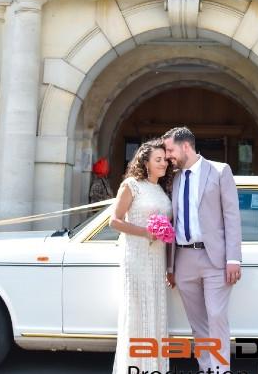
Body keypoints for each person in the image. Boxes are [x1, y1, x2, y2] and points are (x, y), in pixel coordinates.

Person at [163, 126, 243, 372]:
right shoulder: (175, 178)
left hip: (215, 259)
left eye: (170, 149)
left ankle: (221, 370)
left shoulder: (220, 171)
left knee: (217, 317)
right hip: (184, 258)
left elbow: (232, 216)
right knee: (197, 323)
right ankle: (206, 367)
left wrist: (234, 259)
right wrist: (171, 266)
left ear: (185, 146)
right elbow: (173, 221)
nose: (168, 156)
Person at [109, 140, 174, 374]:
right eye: (158, 160)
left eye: (165, 160)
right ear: (145, 162)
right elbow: (114, 221)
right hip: (136, 256)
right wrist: (145, 232)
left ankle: (154, 367)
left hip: (157, 258)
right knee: (138, 309)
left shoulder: (161, 189)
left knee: (155, 308)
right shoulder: (131, 185)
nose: (163, 164)